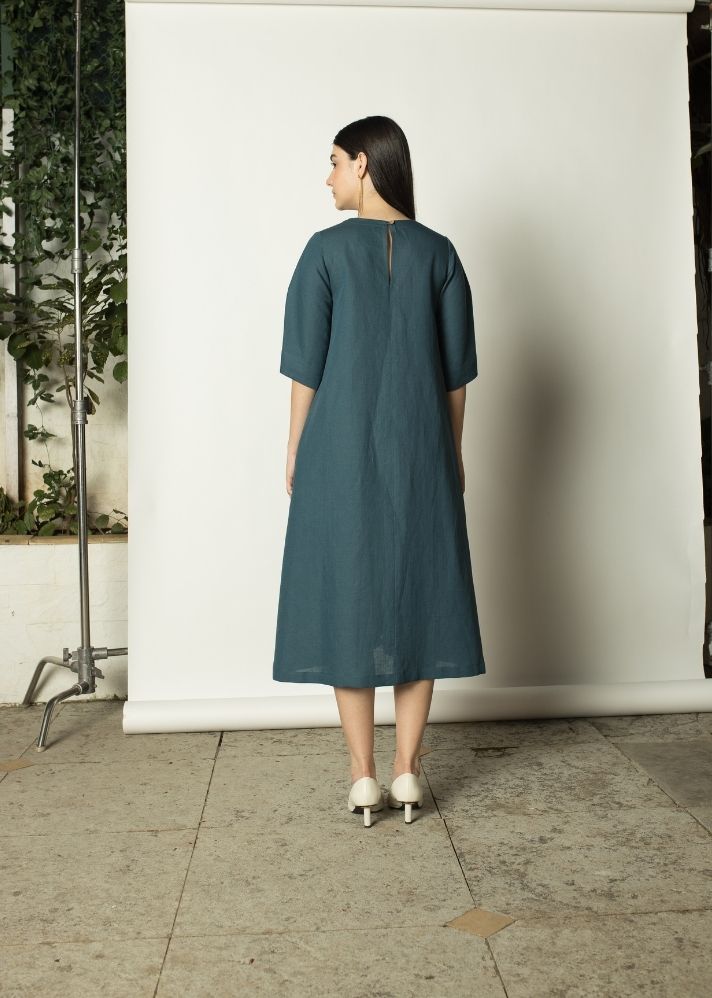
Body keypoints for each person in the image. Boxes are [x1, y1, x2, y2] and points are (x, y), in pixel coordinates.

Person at [273, 115, 485, 827]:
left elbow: (306, 364)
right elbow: (456, 375)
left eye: (335, 161)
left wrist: (295, 446)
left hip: (338, 447)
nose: (328, 176)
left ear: (364, 164)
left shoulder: (325, 252)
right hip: (423, 445)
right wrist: (452, 450)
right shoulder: (440, 253)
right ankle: (406, 772)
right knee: (421, 592)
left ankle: (361, 775)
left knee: (347, 595)